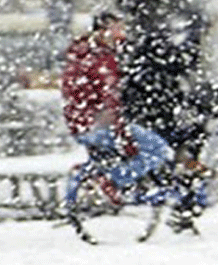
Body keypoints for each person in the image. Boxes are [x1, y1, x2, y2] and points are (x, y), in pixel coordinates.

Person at [60, 11, 174, 206]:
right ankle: (113, 179)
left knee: (142, 146)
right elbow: (110, 105)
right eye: (117, 29)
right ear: (103, 31)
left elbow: (78, 95)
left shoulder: (81, 54)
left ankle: (112, 179)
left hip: (80, 124)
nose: (121, 35)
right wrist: (124, 139)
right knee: (160, 150)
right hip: (97, 126)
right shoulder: (103, 61)